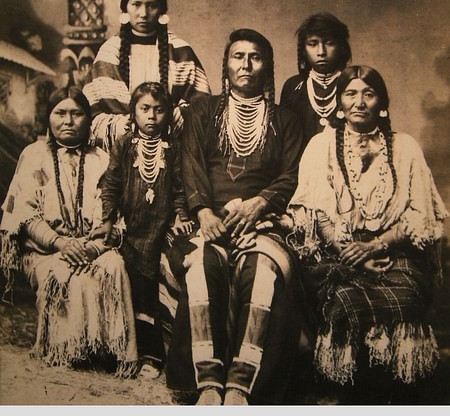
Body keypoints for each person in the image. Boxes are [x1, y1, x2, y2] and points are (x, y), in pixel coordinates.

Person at [287, 65, 448, 403]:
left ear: (382, 103)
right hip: (338, 254)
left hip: (395, 251)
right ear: (340, 105)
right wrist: (351, 252)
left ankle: (396, 394)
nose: (359, 102)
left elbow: (419, 213)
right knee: (346, 302)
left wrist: (375, 246)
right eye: (351, 93)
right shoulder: (321, 146)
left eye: (368, 94)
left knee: (406, 302)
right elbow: (317, 211)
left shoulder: (405, 148)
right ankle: (352, 394)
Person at [166, 28, 305, 405]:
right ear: (225, 65)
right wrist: (204, 211)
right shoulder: (203, 111)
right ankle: (208, 382)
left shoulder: (286, 120)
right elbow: (190, 163)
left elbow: (291, 174)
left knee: (261, 270)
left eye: (255, 57)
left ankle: (243, 385)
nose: (246, 64)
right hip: (208, 220)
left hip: (262, 222)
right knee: (202, 264)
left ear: (268, 67)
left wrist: (260, 203)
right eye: (237, 56)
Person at [0, 86, 138, 377]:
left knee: (114, 265)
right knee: (64, 274)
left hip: (93, 246)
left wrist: (94, 247)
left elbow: (113, 215)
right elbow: (25, 215)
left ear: (88, 119)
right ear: (48, 118)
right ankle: (72, 348)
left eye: (77, 114)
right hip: (47, 250)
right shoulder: (33, 155)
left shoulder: (103, 159)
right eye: (60, 113)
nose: (68, 121)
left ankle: (110, 350)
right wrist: (61, 243)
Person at [92, 82, 193, 378]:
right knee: (132, 287)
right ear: (133, 112)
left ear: (169, 113)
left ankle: (153, 356)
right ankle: (125, 351)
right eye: (144, 109)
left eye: (159, 110)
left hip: (160, 228)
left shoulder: (173, 148)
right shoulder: (124, 144)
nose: (151, 117)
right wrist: (108, 222)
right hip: (130, 228)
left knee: (154, 290)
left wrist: (180, 215)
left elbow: (179, 186)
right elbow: (111, 185)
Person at [83, 0, 211, 151]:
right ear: (125, 9)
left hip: (175, 147)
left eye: (151, 5)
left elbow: (202, 105)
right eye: (136, 4)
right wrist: (132, 124)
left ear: (161, 10)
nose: (143, 14)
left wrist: (173, 117)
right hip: (119, 150)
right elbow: (93, 109)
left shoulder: (180, 50)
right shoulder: (110, 52)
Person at [280, 12, 351, 147]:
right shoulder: (293, 87)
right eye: (313, 44)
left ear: (341, 47)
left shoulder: (352, 84)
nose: (321, 52)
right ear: (303, 50)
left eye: (329, 43)